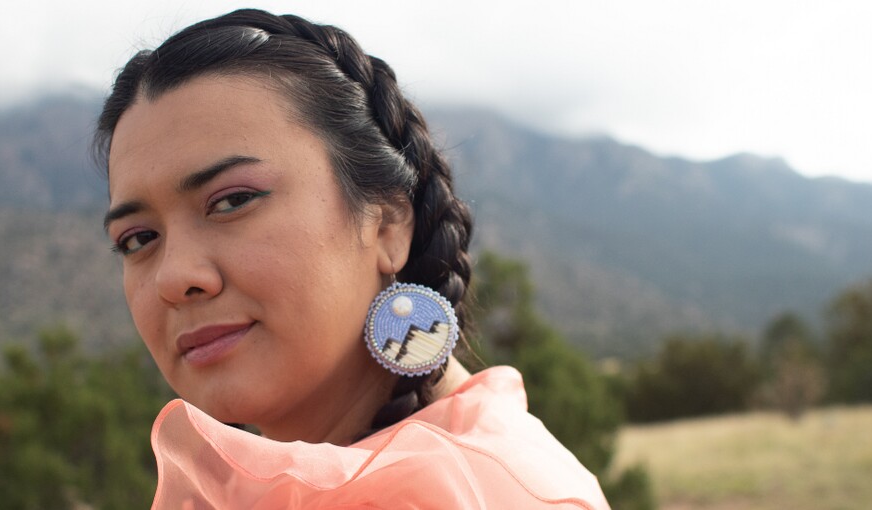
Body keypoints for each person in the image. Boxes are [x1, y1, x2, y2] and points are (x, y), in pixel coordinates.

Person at [94, 8, 610, 509]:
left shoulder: (472, 492)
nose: (173, 277)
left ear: (388, 224)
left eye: (233, 201)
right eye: (137, 239)